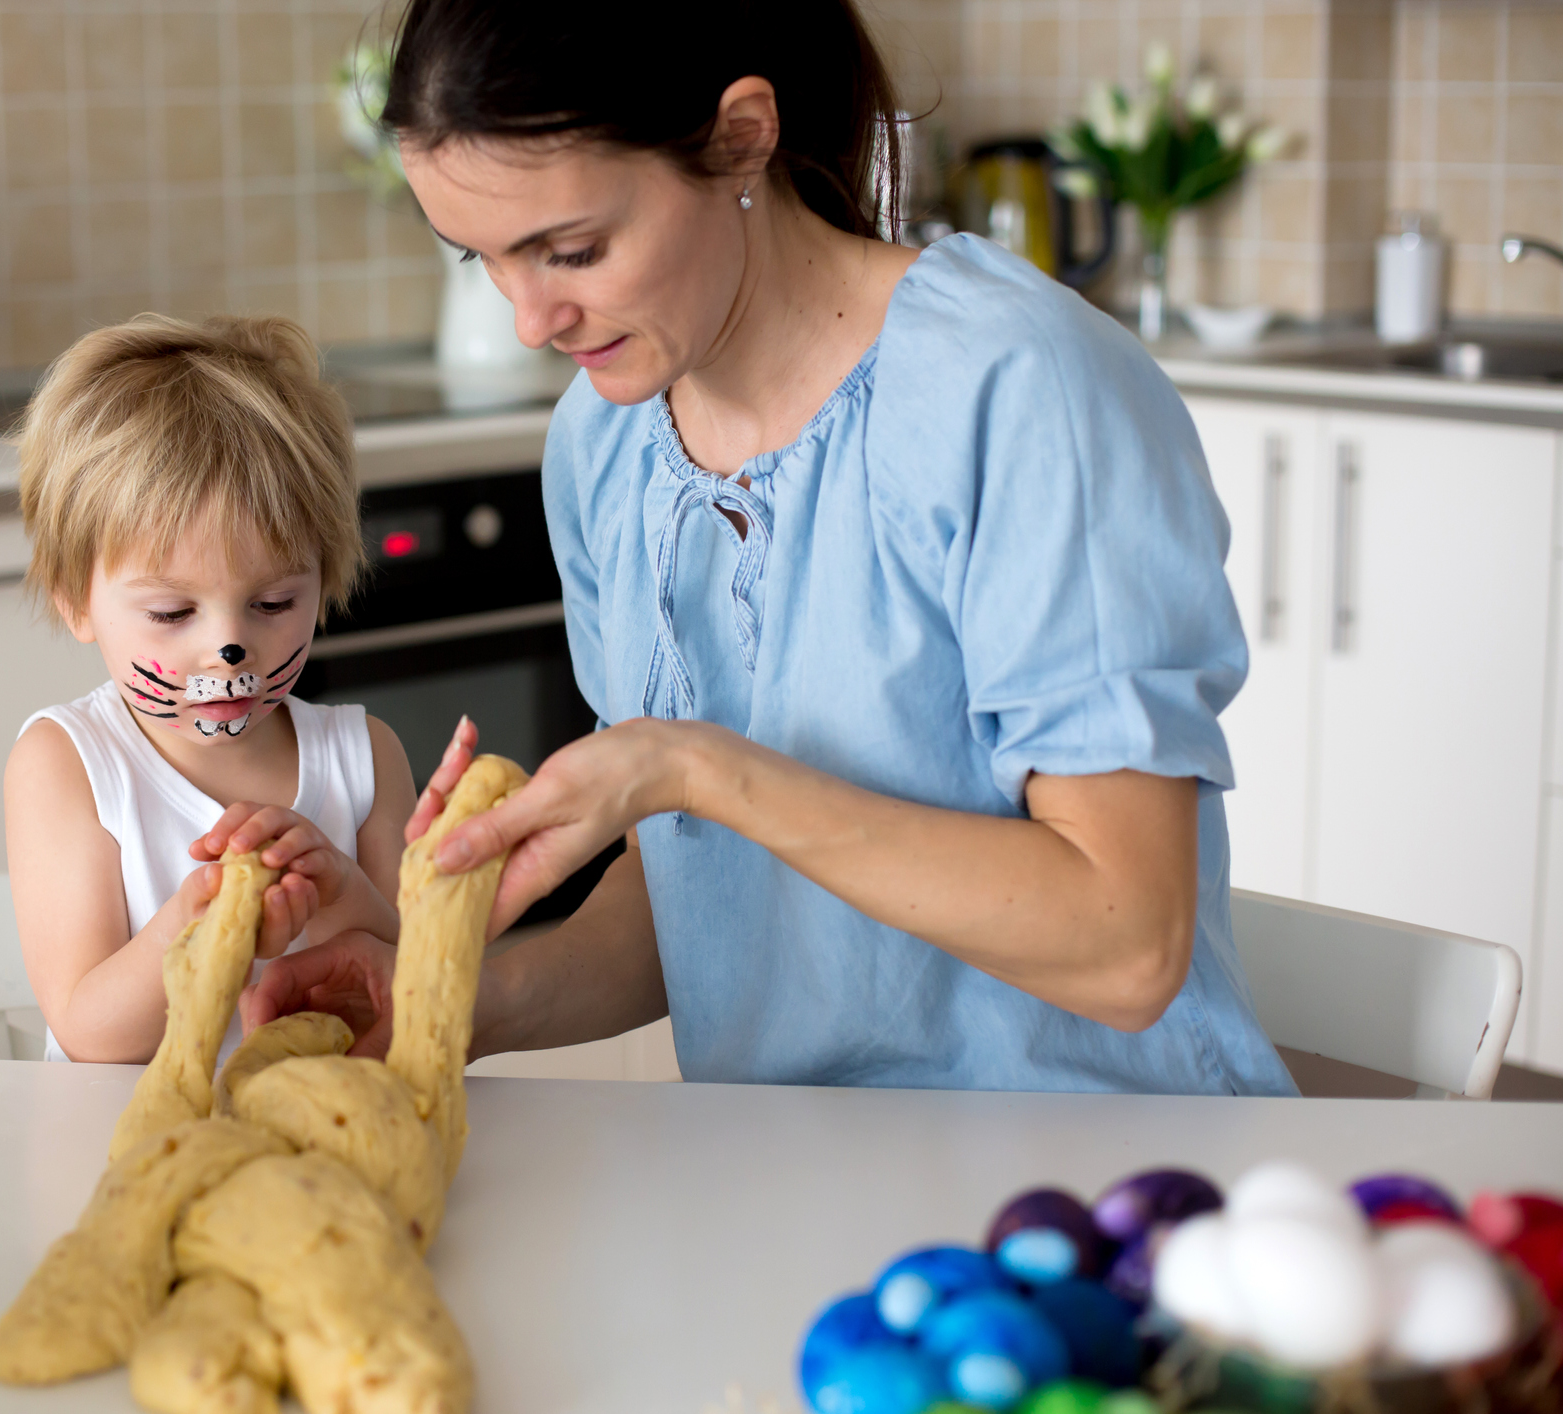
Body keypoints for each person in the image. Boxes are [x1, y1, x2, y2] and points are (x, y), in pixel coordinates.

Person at [243, 0, 1296, 1095]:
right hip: (793, 1180)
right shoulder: (603, 442)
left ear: (741, 135)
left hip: (1098, 1185)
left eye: (571, 249)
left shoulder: (1019, 388)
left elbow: (1127, 943)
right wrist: (448, 1000)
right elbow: (699, 910)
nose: (530, 319)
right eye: (484, 259)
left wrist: (693, 768)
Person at [6, 315, 416, 1063]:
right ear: (74, 600)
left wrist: (340, 896)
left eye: (273, 604)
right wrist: (190, 927)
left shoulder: (365, 758)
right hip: (135, 1154)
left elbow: (417, 994)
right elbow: (88, 1033)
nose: (228, 652)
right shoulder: (68, 765)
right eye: (171, 612)